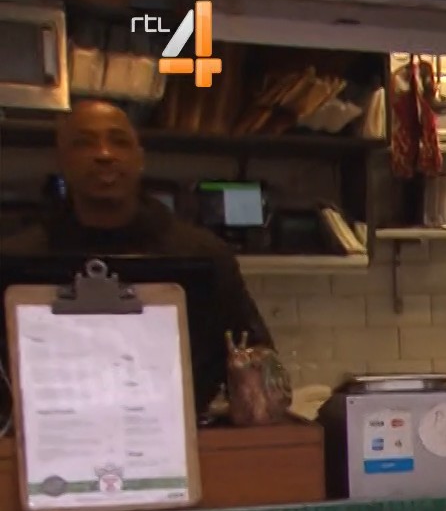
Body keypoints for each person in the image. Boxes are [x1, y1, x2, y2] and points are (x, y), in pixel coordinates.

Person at [0, 99, 274, 414]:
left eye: (119, 142)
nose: (104, 154)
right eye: (84, 143)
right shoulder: (16, 259)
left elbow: (257, 354)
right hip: (50, 430)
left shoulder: (205, 255)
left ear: (139, 159)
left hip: (182, 430)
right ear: (60, 161)